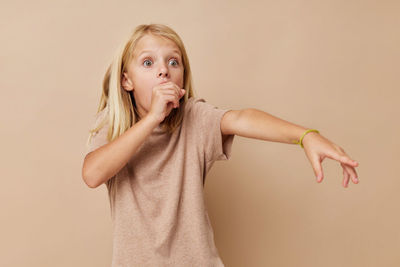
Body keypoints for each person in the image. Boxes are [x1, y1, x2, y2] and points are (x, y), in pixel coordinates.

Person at [81, 23, 359, 267]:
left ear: (182, 79)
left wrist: (306, 136)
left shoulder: (193, 118)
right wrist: (152, 118)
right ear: (126, 80)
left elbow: (241, 118)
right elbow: (92, 174)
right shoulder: (114, 124)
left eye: (173, 62)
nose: (163, 71)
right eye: (148, 63)